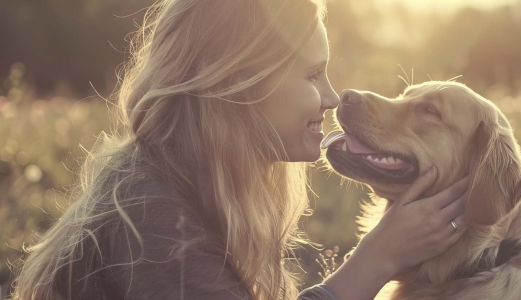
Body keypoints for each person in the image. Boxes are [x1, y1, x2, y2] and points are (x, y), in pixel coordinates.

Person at [9, 0, 470, 299]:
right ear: (237, 85)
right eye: (312, 76)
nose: (332, 98)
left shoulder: (171, 183)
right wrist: (378, 258)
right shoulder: (151, 223)